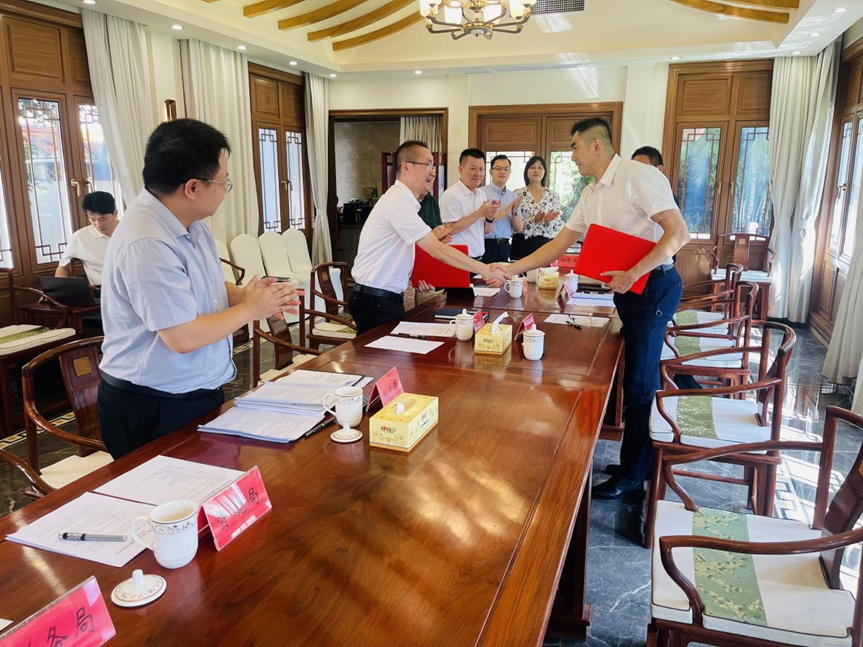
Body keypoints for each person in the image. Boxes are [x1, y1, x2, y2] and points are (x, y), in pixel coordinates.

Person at [495, 118, 690, 501]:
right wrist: (510, 268)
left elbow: (678, 233)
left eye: (574, 147)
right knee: (632, 377)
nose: (571, 156)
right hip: (628, 289)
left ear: (597, 145)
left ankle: (635, 476)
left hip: (652, 287)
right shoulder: (591, 193)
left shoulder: (638, 175)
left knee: (640, 384)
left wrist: (633, 272)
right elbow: (558, 245)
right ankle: (634, 462)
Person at [98, 119, 300, 459]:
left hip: (196, 391)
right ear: (192, 187)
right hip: (152, 404)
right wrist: (250, 309)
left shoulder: (190, 223)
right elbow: (182, 337)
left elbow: (209, 289)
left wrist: (252, 295)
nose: (225, 189)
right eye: (223, 182)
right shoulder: (147, 241)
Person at [349, 140, 506, 335]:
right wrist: (485, 270)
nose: (433, 172)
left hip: (385, 299)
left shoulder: (405, 202)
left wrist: (421, 274)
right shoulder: (397, 202)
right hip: (375, 301)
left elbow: (404, 249)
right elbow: (437, 250)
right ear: (406, 167)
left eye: (433, 166)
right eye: (428, 165)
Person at [439, 149, 500, 260]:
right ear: (461, 169)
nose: (478, 174)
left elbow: (486, 231)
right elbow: (449, 229)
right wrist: (479, 213)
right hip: (458, 259)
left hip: (479, 257)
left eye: (481, 169)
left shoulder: (481, 194)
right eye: (473, 169)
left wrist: (490, 217)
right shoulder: (451, 194)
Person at [55, 191, 119, 286]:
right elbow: (63, 267)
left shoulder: (130, 231)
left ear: (115, 213)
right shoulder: (80, 237)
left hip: (133, 287)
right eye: (92, 219)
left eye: (103, 219)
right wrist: (59, 289)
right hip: (101, 289)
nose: (98, 225)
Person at [511, 156, 562, 259]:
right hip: (521, 243)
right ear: (527, 171)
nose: (536, 170)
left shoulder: (553, 196)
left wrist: (548, 221)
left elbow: (557, 226)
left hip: (544, 245)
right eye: (532, 167)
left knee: (543, 270)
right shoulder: (517, 194)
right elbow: (512, 223)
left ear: (545, 172)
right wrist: (533, 220)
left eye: (540, 167)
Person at [481, 154, 521, 263]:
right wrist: (505, 211)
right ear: (491, 172)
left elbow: (519, 229)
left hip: (505, 245)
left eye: (506, 169)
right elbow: (482, 222)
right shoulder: (481, 193)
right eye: (498, 168)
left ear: (510, 172)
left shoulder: (513, 196)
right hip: (486, 244)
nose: (502, 172)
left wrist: (514, 213)